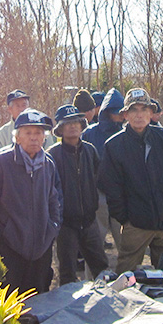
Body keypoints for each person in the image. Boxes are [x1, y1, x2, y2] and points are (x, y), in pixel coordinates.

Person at [98, 88, 163, 273]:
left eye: (144, 109)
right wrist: (125, 219)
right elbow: (111, 187)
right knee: (126, 275)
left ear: (151, 112)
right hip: (135, 223)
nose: (139, 115)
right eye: (134, 110)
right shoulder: (114, 146)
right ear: (125, 115)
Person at [0, 108, 62, 294]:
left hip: (41, 248)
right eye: (28, 132)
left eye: (39, 133)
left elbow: (53, 199)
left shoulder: (47, 163)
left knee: (39, 304)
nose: (34, 138)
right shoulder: (0, 163)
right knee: (10, 307)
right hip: (9, 248)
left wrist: (52, 229)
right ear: (17, 137)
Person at [47, 105, 109, 284]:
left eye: (76, 122)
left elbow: (100, 180)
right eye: (67, 124)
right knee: (67, 272)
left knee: (101, 267)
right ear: (60, 129)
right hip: (65, 224)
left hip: (90, 221)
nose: (73, 127)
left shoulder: (90, 151)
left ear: (82, 125)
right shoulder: (52, 155)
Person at [82, 87, 125, 251]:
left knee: (125, 243)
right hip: (97, 194)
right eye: (116, 112)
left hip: (120, 194)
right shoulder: (90, 133)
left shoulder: (125, 134)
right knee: (94, 242)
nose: (120, 115)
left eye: (122, 112)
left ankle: (128, 276)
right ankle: (92, 276)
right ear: (107, 112)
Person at [0, 89, 55, 156]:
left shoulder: (41, 129)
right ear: (9, 109)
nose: (21, 109)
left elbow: (50, 154)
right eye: (17, 106)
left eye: (24, 105)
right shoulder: (1, 135)